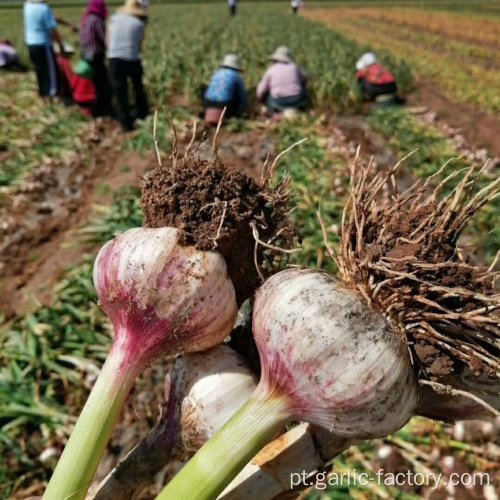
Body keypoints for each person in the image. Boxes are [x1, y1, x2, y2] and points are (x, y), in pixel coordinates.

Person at [107, 0, 149, 131]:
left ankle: (125, 124)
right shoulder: (139, 23)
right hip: (132, 58)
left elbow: (107, 41)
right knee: (138, 87)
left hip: (114, 58)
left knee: (120, 91)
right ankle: (142, 115)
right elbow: (139, 46)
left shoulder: (113, 19)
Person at [23, 0, 65, 99]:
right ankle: (52, 95)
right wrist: (60, 44)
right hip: (43, 43)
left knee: (39, 70)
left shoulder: (27, 6)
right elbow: (52, 30)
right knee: (50, 71)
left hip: (31, 43)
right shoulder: (44, 8)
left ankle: (42, 93)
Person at [80, 0, 114, 118]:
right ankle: (101, 110)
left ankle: (96, 109)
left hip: (85, 55)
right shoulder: (97, 20)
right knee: (102, 84)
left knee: (94, 83)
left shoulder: (85, 18)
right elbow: (104, 38)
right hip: (95, 56)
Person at [256, 46, 307, 116]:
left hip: (279, 102)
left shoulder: (270, 70)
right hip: (297, 100)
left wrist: (260, 99)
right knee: (302, 84)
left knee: (268, 94)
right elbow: (305, 78)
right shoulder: (294, 67)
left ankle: (274, 114)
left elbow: (260, 92)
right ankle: (302, 108)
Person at [203, 54, 248, 124]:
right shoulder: (236, 76)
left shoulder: (216, 73)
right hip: (224, 104)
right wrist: (244, 109)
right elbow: (242, 95)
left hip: (207, 102)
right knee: (236, 93)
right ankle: (232, 116)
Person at [54, 43, 96, 114]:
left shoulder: (56, 62)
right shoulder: (65, 62)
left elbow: (72, 83)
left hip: (78, 97)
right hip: (91, 97)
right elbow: (70, 80)